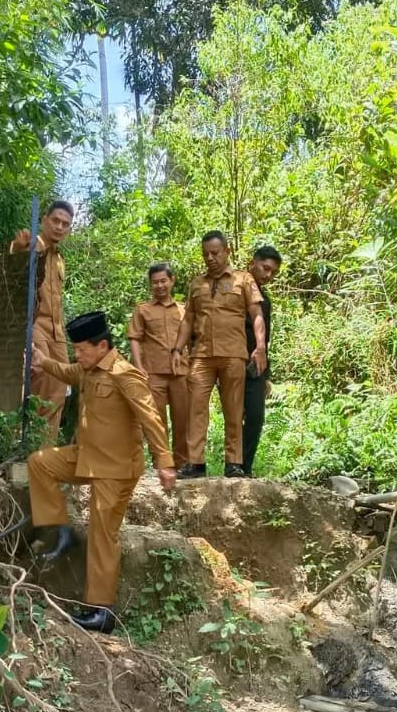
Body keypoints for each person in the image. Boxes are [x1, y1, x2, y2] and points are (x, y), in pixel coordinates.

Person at [28, 310, 177, 633]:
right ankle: (60, 531)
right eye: (76, 349)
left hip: (116, 470)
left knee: (102, 534)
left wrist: (164, 462)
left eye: (81, 349)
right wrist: (44, 362)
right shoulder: (89, 368)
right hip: (87, 458)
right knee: (40, 462)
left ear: (103, 345)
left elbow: (150, 417)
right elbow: (68, 372)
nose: (77, 355)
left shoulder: (124, 374)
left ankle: (101, 611)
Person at [172, 231, 265, 478]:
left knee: (234, 408)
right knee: (196, 408)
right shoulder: (196, 283)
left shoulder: (243, 280)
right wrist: (176, 348)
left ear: (227, 251)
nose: (210, 258)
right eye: (205, 254)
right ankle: (196, 463)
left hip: (233, 354)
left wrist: (260, 346)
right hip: (201, 355)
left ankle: (233, 462)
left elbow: (257, 314)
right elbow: (188, 319)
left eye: (214, 253)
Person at [8, 200, 75, 439]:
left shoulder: (59, 259)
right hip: (35, 323)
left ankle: (46, 452)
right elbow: (14, 263)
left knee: (61, 386)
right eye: (55, 220)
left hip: (57, 331)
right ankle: (27, 444)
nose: (59, 226)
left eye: (65, 224)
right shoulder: (34, 245)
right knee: (42, 380)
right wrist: (17, 247)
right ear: (44, 220)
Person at [126, 263, 188, 466]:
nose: (159, 286)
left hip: (180, 372)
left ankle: (182, 463)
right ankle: (161, 463)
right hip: (153, 372)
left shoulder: (184, 310)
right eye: (155, 282)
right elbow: (134, 337)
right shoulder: (143, 309)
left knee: (183, 420)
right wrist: (138, 366)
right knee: (156, 421)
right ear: (150, 285)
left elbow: (194, 338)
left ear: (172, 281)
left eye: (163, 281)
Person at [242, 245, 282, 475]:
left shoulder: (265, 300)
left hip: (255, 367)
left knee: (256, 416)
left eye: (273, 272)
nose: (268, 275)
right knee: (235, 417)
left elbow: (265, 340)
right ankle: (233, 466)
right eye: (265, 268)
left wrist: (266, 375)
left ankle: (245, 467)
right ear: (253, 263)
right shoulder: (234, 290)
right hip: (231, 361)